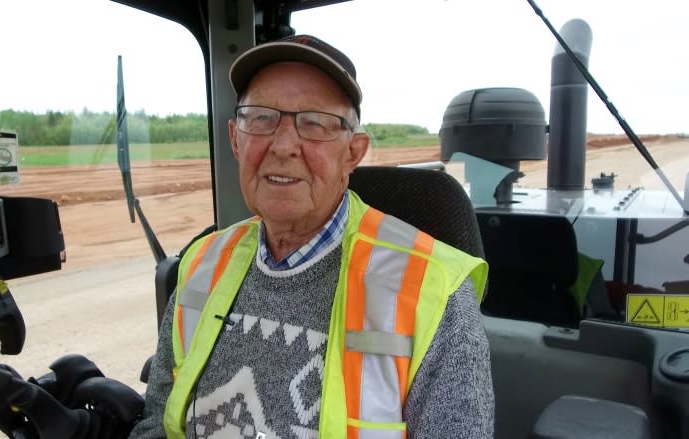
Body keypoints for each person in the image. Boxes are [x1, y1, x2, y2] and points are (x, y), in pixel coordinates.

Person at [129, 34, 494, 439]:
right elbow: (156, 426)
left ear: (353, 153)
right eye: (261, 118)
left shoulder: (435, 294)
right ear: (235, 139)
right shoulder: (201, 264)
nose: (283, 146)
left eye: (315, 123)